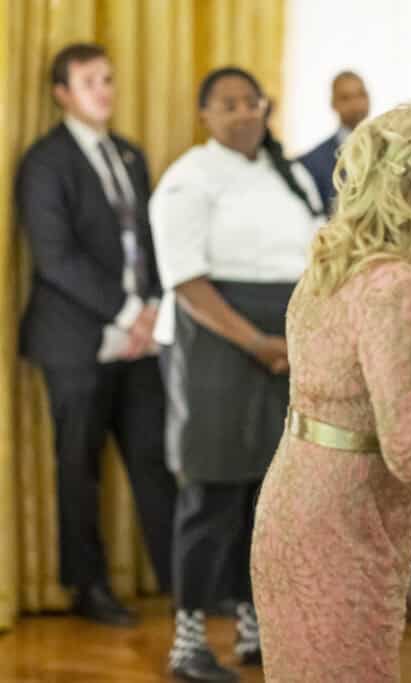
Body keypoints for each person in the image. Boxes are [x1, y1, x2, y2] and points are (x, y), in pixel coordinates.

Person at [250, 102, 411, 683]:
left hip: (295, 499)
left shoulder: (331, 261)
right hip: (345, 521)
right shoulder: (398, 284)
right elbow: (410, 449)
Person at [150, 66, 324, 682]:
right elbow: (185, 279)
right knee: (212, 491)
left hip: (285, 340)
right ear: (205, 115)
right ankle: (189, 639)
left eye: (252, 101)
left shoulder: (290, 174)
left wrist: (298, 340)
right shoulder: (188, 178)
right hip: (218, 346)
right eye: (229, 105)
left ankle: (255, 626)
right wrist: (256, 342)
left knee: (267, 491)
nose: (245, 112)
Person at [16, 43, 176, 627]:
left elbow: (153, 241)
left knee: (154, 458)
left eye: (107, 79)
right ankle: (88, 588)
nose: (103, 91)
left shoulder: (130, 154)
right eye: (89, 82)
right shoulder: (44, 161)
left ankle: (183, 583)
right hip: (75, 341)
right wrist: (129, 312)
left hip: (139, 339)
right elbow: (56, 259)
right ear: (62, 93)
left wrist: (152, 310)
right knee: (78, 466)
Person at [299, 70, 370, 210]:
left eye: (361, 95)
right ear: (333, 104)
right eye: (346, 98)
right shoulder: (312, 163)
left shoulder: (389, 149)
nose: (356, 104)